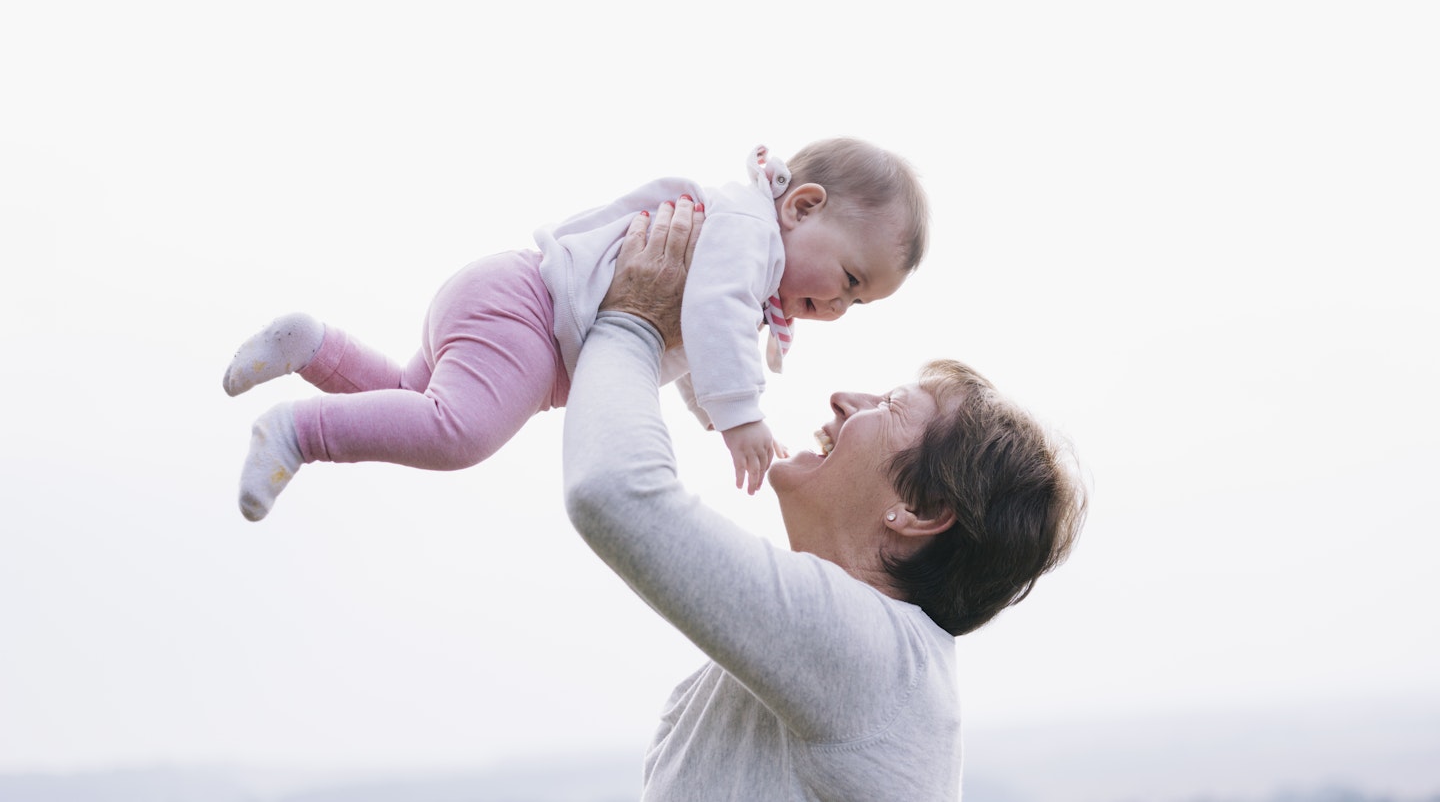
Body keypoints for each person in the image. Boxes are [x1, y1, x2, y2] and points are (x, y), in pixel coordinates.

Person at [565, 197, 1087, 800]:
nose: (843, 397)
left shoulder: (876, 660)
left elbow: (612, 492)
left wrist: (634, 321)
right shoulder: (815, 669)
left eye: (890, 405)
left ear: (918, 514)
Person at [222, 138, 929, 520]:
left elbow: (686, 339)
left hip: (506, 296)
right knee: (456, 433)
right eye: (851, 279)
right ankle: (298, 432)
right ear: (803, 206)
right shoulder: (748, 235)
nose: (839, 306)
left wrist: (709, 407)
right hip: (527, 319)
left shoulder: (744, 254)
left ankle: (312, 346)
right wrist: (741, 414)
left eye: (858, 305)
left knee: (411, 396)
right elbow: (709, 315)